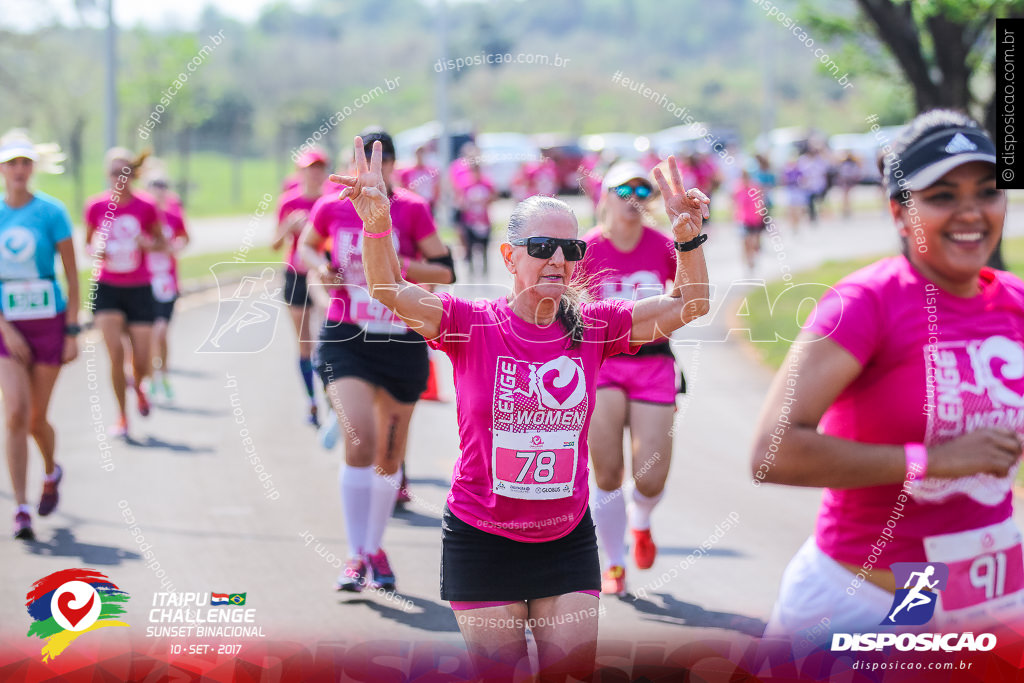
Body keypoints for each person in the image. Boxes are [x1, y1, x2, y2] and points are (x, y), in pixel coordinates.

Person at [345, 135, 710, 680]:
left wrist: (688, 238)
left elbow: (692, 304)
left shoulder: (596, 325)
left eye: (571, 250)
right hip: (482, 541)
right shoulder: (470, 323)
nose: (558, 260)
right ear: (510, 256)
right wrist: (377, 218)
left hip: (565, 541)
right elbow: (387, 288)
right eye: (541, 248)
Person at [754, 110, 1024, 643]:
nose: (970, 211)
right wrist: (936, 461)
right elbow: (773, 452)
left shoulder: (1015, 303)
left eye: (988, 190)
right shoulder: (865, 304)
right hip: (865, 598)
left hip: (984, 594)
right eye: (943, 196)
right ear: (900, 212)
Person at [299, 131, 456, 594]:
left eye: (379, 161)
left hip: (402, 339)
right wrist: (321, 266)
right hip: (348, 336)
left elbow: (445, 271)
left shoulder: (411, 209)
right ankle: (354, 555)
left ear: (391, 165)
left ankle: (373, 547)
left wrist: (390, 266)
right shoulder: (330, 206)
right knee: (360, 441)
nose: (369, 169)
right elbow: (307, 247)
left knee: (389, 457)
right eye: (361, 160)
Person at [576, 162, 681, 596]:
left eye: (644, 189)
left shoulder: (663, 246)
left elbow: (691, 294)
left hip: (654, 363)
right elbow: (564, 304)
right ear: (607, 195)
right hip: (603, 364)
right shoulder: (586, 248)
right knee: (607, 471)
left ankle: (640, 519)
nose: (635, 197)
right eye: (625, 189)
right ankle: (613, 562)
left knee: (651, 475)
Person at [0, 130, 79, 539]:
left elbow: (71, 274)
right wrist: (5, 328)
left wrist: (71, 329)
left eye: (24, 162)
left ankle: (51, 470)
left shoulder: (51, 212)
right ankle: (22, 508)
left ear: (33, 168)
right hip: (6, 326)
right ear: (1, 169)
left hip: (48, 321)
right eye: (11, 163)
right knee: (13, 413)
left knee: (35, 419)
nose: (18, 170)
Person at [84, 148, 165, 438]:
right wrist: (98, 250)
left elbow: (161, 242)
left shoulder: (146, 206)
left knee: (141, 360)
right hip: (107, 287)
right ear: (107, 175)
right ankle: (122, 416)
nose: (120, 178)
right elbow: (88, 245)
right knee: (115, 355)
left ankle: (139, 385)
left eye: (125, 172)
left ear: (133, 174)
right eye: (115, 173)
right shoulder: (95, 206)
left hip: (140, 288)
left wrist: (147, 244)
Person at [274, 148, 328, 427]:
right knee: (305, 343)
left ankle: (333, 397)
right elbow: (274, 244)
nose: (315, 173)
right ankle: (312, 400)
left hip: (324, 277)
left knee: (328, 340)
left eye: (320, 168)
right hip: (296, 276)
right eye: (310, 168)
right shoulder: (289, 202)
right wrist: (288, 228)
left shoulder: (330, 200)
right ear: (301, 171)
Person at [143, 172, 189, 401]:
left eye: (162, 184)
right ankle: (151, 378)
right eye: (154, 184)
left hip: (167, 282)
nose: (158, 188)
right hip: (143, 282)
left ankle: (164, 374)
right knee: (149, 334)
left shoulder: (173, 214)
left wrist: (174, 247)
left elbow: (184, 238)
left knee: (161, 332)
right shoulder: (141, 214)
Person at [455, 162, 496, 277]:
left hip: (484, 220)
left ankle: (485, 272)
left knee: (484, 248)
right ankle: (471, 272)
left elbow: (493, 197)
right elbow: (460, 201)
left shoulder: (486, 183)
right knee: (471, 247)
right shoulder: (465, 184)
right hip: (470, 220)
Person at [734, 169, 766, 274]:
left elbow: (760, 203)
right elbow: (735, 204)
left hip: (754, 219)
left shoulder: (755, 188)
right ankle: (747, 261)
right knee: (745, 242)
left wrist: (760, 215)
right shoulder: (738, 189)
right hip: (743, 220)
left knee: (753, 242)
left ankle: (752, 259)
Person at [397, 145, 439, 214]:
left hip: (429, 204)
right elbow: (402, 187)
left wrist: (435, 202)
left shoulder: (431, 172)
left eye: (422, 153)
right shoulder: (407, 172)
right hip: (412, 204)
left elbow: (436, 187)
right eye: (418, 153)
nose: (420, 156)